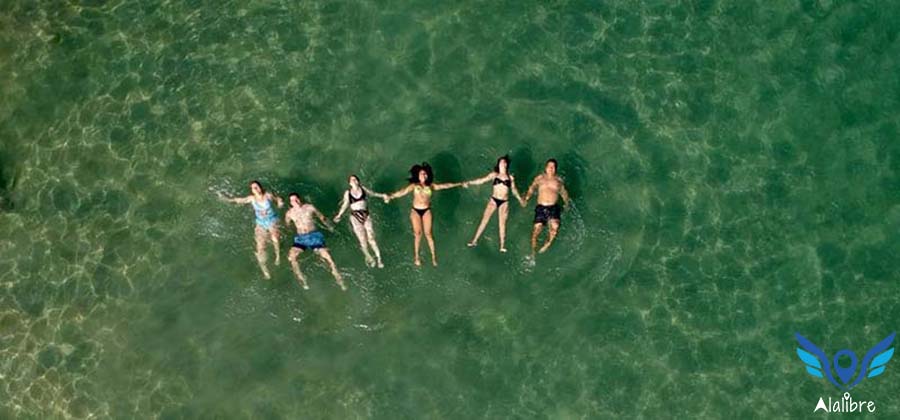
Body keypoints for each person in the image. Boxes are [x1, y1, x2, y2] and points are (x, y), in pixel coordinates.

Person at [385, 163, 463, 267]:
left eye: (425, 174)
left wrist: (459, 184)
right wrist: (391, 196)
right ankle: (416, 257)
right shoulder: (414, 186)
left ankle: (433, 257)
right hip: (415, 211)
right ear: (418, 175)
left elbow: (445, 186)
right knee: (418, 234)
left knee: (428, 234)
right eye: (422, 174)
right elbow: (402, 192)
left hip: (426, 210)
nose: (424, 175)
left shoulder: (431, 186)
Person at [220, 180, 284, 279]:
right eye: (254, 188)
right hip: (261, 223)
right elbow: (239, 200)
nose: (256, 189)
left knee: (275, 238)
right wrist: (227, 200)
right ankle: (265, 270)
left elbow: (277, 200)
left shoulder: (267, 195)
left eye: (257, 186)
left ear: (260, 187)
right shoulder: (252, 199)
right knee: (260, 248)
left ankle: (278, 256)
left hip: (272, 221)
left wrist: (280, 202)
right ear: (252, 191)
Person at [462, 155, 524, 252]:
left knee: (502, 224)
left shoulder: (510, 178)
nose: (502, 164)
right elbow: (481, 181)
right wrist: (469, 183)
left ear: (507, 165)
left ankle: (502, 245)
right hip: (494, 200)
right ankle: (474, 240)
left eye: (504, 162)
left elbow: (514, 190)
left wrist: (520, 200)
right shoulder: (494, 175)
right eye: (501, 162)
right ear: (498, 164)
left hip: (504, 202)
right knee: (484, 220)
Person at [284, 193, 346, 291]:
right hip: (301, 238)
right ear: (290, 203)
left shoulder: (309, 207)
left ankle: (338, 278)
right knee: (292, 257)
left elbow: (322, 217)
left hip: (314, 236)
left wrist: (330, 226)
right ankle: (302, 279)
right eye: (292, 200)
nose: (295, 202)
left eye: (296, 199)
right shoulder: (289, 213)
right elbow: (287, 226)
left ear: (300, 199)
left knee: (327, 256)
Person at [333, 175, 387, 268]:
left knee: (371, 238)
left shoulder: (363, 189)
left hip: (366, 214)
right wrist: (339, 215)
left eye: (355, 179)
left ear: (358, 181)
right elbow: (345, 204)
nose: (354, 180)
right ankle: (369, 257)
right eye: (352, 180)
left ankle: (379, 259)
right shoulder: (348, 193)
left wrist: (383, 195)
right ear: (350, 183)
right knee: (363, 240)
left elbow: (373, 194)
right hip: (355, 217)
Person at [522, 159, 571, 258]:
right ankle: (533, 252)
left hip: (553, 207)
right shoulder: (540, 178)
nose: (551, 168)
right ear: (546, 167)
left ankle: (547, 244)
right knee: (536, 230)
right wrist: (526, 198)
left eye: (553, 167)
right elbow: (532, 188)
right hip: (541, 207)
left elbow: (563, 192)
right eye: (549, 166)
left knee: (555, 227)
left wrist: (566, 203)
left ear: (555, 169)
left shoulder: (558, 180)